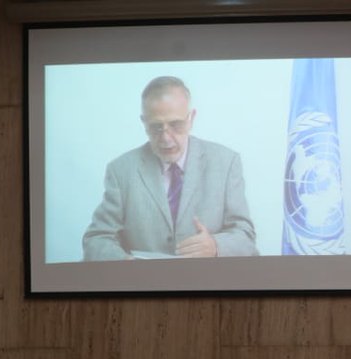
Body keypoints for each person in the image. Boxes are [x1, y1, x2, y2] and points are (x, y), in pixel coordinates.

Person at [82, 76, 258, 261]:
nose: (166, 138)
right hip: (143, 286)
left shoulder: (226, 162)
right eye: (156, 127)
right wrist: (125, 263)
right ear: (144, 122)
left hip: (208, 285)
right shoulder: (121, 170)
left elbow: (246, 236)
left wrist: (215, 246)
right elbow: (96, 239)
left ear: (191, 118)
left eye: (176, 125)